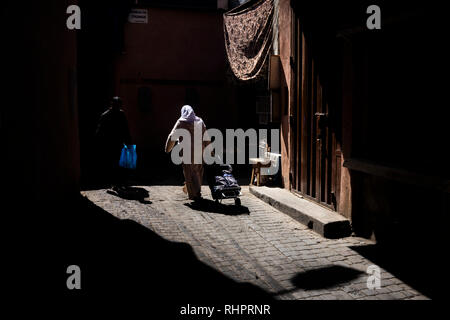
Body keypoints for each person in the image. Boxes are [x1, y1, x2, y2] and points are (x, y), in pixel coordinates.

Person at [165, 105, 208, 201]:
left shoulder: (181, 122)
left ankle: (192, 195)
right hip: (199, 152)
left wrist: (167, 149)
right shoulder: (199, 121)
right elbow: (206, 136)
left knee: (189, 173)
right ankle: (198, 191)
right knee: (198, 172)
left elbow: (172, 136)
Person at [95, 96, 131, 190]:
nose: (118, 106)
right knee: (114, 163)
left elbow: (125, 129)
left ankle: (117, 182)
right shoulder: (108, 115)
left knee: (116, 163)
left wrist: (128, 141)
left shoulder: (108, 115)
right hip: (111, 143)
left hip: (116, 143)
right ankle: (115, 182)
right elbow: (100, 131)